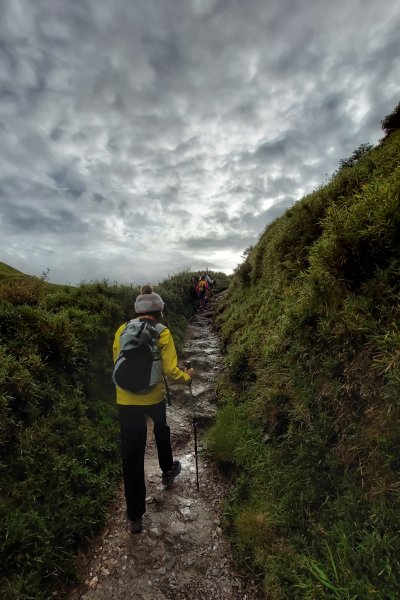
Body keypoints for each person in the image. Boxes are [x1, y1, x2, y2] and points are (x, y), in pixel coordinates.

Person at [112, 285, 194, 534]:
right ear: (159, 311)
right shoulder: (163, 332)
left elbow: (117, 362)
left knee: (131, 454)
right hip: (154, 397)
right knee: (161, 429)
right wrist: (187, 378)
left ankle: (135, 515)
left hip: (126, 400)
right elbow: (170, 370)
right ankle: (168, 470)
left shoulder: (122, 330)